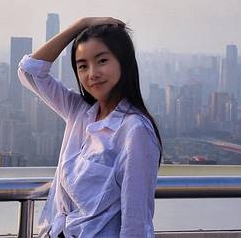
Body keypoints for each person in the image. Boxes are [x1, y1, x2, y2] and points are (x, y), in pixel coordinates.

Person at [18, 17, 162, 237]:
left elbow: (136, 222)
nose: (92, 73)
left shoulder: (134, 131)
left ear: (123, 62)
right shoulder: (79, 111)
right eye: (82, 66)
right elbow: (29, 71)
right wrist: (82, 24)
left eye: (102, 61)